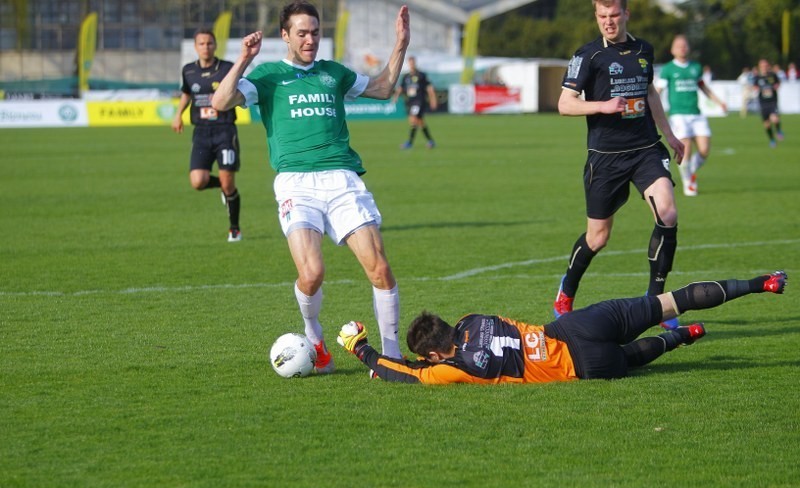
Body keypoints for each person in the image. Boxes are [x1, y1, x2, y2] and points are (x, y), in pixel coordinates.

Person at [211, 1, 410, 373]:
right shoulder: (268, 76)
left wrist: (401, 44)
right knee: (312, 273)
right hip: (296, 184)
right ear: (284, 35)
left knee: (380, 268)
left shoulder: (334, 73)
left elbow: (383, 89)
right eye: (302, 33)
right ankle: (314, 337)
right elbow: (221, 101)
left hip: (342, 179)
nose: (310, 39)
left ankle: (392, 357)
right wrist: (243, 59)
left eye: (315, 32)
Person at [336, 271, 787, 384]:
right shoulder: (475, 319)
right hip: (575, 325)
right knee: (667, 301)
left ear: (436, 354)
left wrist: (363, 350)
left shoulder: (459, 367)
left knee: (632, 358)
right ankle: (759, 283)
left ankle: (679, 339)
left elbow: (409, 374)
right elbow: (459, 344)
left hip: (582, 362)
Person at [553, 0, 685, 331]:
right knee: (598, 237)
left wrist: (669, 134)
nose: (608, 22)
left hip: (645, 150)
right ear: (596, 18)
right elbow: (564, 104)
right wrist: (603, 106)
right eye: (602, 17)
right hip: (606, 158)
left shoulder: (644, 49)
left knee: (667, 214)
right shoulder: (588, 56)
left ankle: (656, 302)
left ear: (626, 14)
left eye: (614, 16)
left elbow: (650, 92)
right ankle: (566, 291)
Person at [172, 29, 243, 242]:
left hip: (224, 129)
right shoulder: (188, 71)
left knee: (228, 182)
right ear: (196, 47)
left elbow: (239, 90)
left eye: (210, 43)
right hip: (201, 132)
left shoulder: (227, 69)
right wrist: (178, 115)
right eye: (202, 44)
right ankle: (222, 188)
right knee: (198, 181)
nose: (206, 47)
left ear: (215, 45)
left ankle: (234, 229)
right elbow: (187, 94)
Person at [658, 35, 727, 197]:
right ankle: (688, 182)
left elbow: (704, 87)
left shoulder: (696, 67)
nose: (682, 48)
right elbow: (658, 91)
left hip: (696, 114)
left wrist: (719, 102)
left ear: (688, 48)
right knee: (686, 149)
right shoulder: (668, 69)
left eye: (685, 45)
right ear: (672, 50)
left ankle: (689, 171)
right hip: (678, 115)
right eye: (679, 45)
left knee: (704, 150)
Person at [391, 56, 437, 149]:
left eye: (413, 62)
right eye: (410, 63)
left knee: (413, 119)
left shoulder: (421, 75)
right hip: (410, 102)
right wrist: (395, 96)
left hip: (419, 101)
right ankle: (431, 141)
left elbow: (429, 88)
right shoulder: (406, 76)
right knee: (420, 122)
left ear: (415, 63)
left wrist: (433, 99)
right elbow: (401, 88)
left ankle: (409, 143)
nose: (411, 64)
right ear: (409, 64)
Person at [752, 59, 784, 148]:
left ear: (768, 66)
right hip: (763, 103)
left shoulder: (773, 75)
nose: (764, 68)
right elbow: (754, 87)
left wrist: (775, 87)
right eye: (762, 66)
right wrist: (757, 89)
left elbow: (778, 83)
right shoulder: (757, 77)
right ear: (760, 67)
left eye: (766, 66)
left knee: (775, 119)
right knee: (767, 124)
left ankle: (778, 131)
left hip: (772, 102)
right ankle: (772, 140)